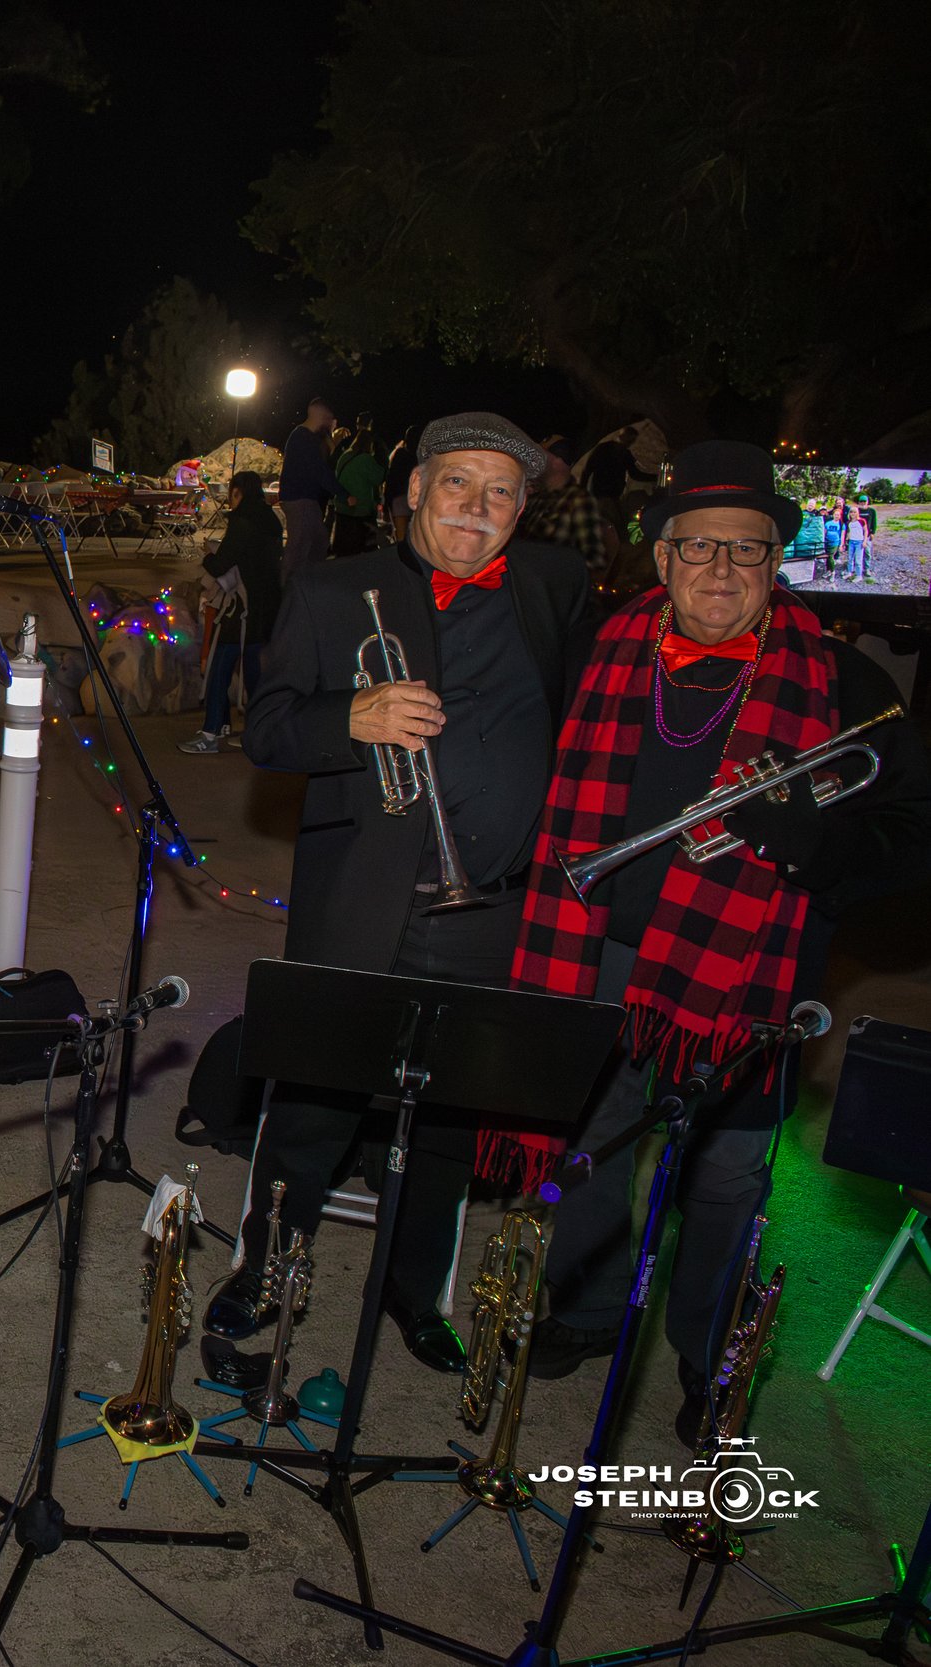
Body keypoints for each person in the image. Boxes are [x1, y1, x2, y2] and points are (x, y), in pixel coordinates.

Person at [499, 441, 931, 1439]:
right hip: (595, 951)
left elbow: (916, 833)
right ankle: (591, 1306)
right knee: (591, 1146)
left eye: (747, 549)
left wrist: (817, 843)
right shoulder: (601, 649)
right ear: (661, 560)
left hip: (747, 973)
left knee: (728, 1174)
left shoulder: (845, 678)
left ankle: (706, 1358)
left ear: (775, 560)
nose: (722, 570)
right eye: (698, 548)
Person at [214, 413, 590, 1375]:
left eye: (499, 491)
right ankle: (263, 1271)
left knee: (451, 1126)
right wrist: (355, 714)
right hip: (366, 902)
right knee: (313, 1106)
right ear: (415, 489)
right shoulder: (338, 588)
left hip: (494, 910)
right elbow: (269, 731)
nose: (476, 507)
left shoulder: (553, 589)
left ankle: (413, 1290)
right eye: (457, 483)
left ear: (522, 509)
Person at [181, 471, 284, 754]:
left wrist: (208, 554)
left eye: (231, 494)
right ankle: (255, 731)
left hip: (242, 606)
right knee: (254, 671)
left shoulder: (242, 522)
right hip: (268, 605)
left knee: (220, 663)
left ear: (237, 492)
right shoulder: (271, 519)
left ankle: (210, 733)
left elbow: (221, 565)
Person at [518, 440, 619, 576]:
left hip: (549, 583)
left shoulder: (578, 501)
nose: (537, 464)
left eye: (544, 458)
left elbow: (594, 560)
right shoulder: (538, 497)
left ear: (558, 462)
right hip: (524, 576)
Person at [276, 397, 342, 573]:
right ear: (320, 415)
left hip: (303, 498)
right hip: (300, 499)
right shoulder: (304, 438)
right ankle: (288, 589)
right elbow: (320, 470)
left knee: (317, 542)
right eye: (328, 418)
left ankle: (304, 582)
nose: (330, 422)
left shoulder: (304, 437)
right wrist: (343, 493)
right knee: (299, 547)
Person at [581, 426, 654, 527]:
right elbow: (635, 474)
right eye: (630, 439)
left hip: (605, 495)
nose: (630, 442)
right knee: (613, 525)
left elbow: (587, 471)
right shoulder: (617, 451)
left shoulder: (609, 449)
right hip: (606, 495)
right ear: (623, 437)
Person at [331, 427, 387, 556]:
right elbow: (378, 478)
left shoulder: (344, 456)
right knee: (365, 548)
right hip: (360, 509)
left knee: (344, 549)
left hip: (342, 507)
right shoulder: (366, 459)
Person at [383, 421, 421, 541]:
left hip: (399, 499)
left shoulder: (400, 455)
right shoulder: (424, 457)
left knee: (401, 538)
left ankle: (402, 558)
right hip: (418, 500)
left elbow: (391, 479)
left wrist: (386, 503)